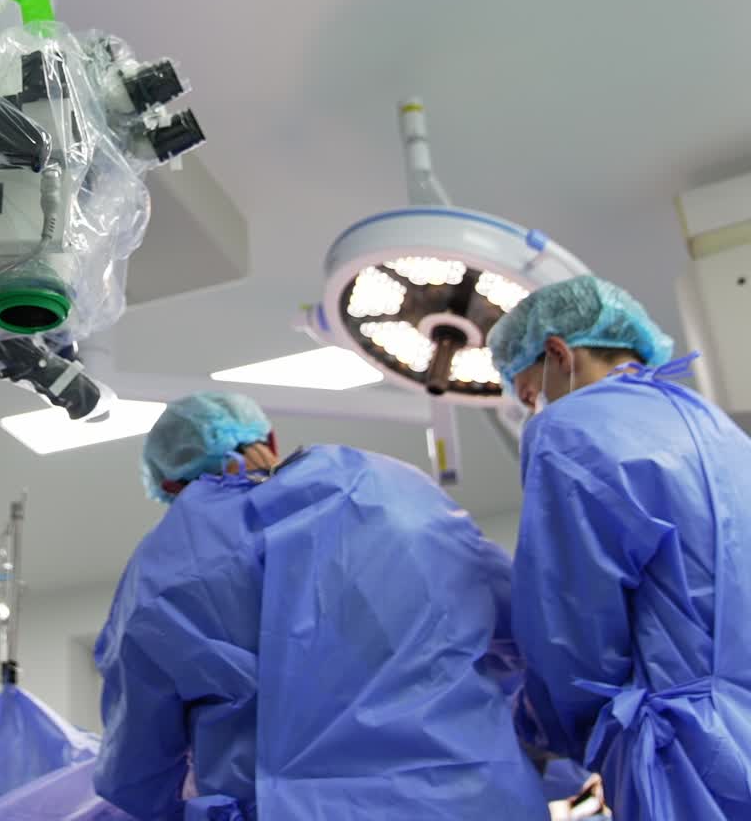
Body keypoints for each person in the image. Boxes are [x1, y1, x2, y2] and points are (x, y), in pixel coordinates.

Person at [92, 391, 550, 821]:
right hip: (478, 795)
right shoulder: (390, 488)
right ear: (269, 438)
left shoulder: (163, 564)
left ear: (170, 484)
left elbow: (136, 772)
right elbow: (527, 629)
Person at [488, 274, 751, 819]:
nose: (536, 411)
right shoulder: (715, 426)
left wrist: (549, 729)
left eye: (531, 394)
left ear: (559, 353)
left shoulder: (570, 428)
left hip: (693, 757)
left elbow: (572, 628)